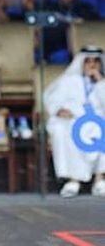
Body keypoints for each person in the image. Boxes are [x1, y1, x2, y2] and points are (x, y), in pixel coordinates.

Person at [43, 46, 105, 198]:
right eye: (88, 61)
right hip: (74, 119)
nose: (92, 65)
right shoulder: (69, 81)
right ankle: (73, 180)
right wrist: (59, 110)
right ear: (81, 63)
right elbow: (52, 99)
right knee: (63, 129)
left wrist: (100, 82)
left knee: (100, 128)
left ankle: (100, 179)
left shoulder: (102, 82)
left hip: (98, 118)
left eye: (96, 62)